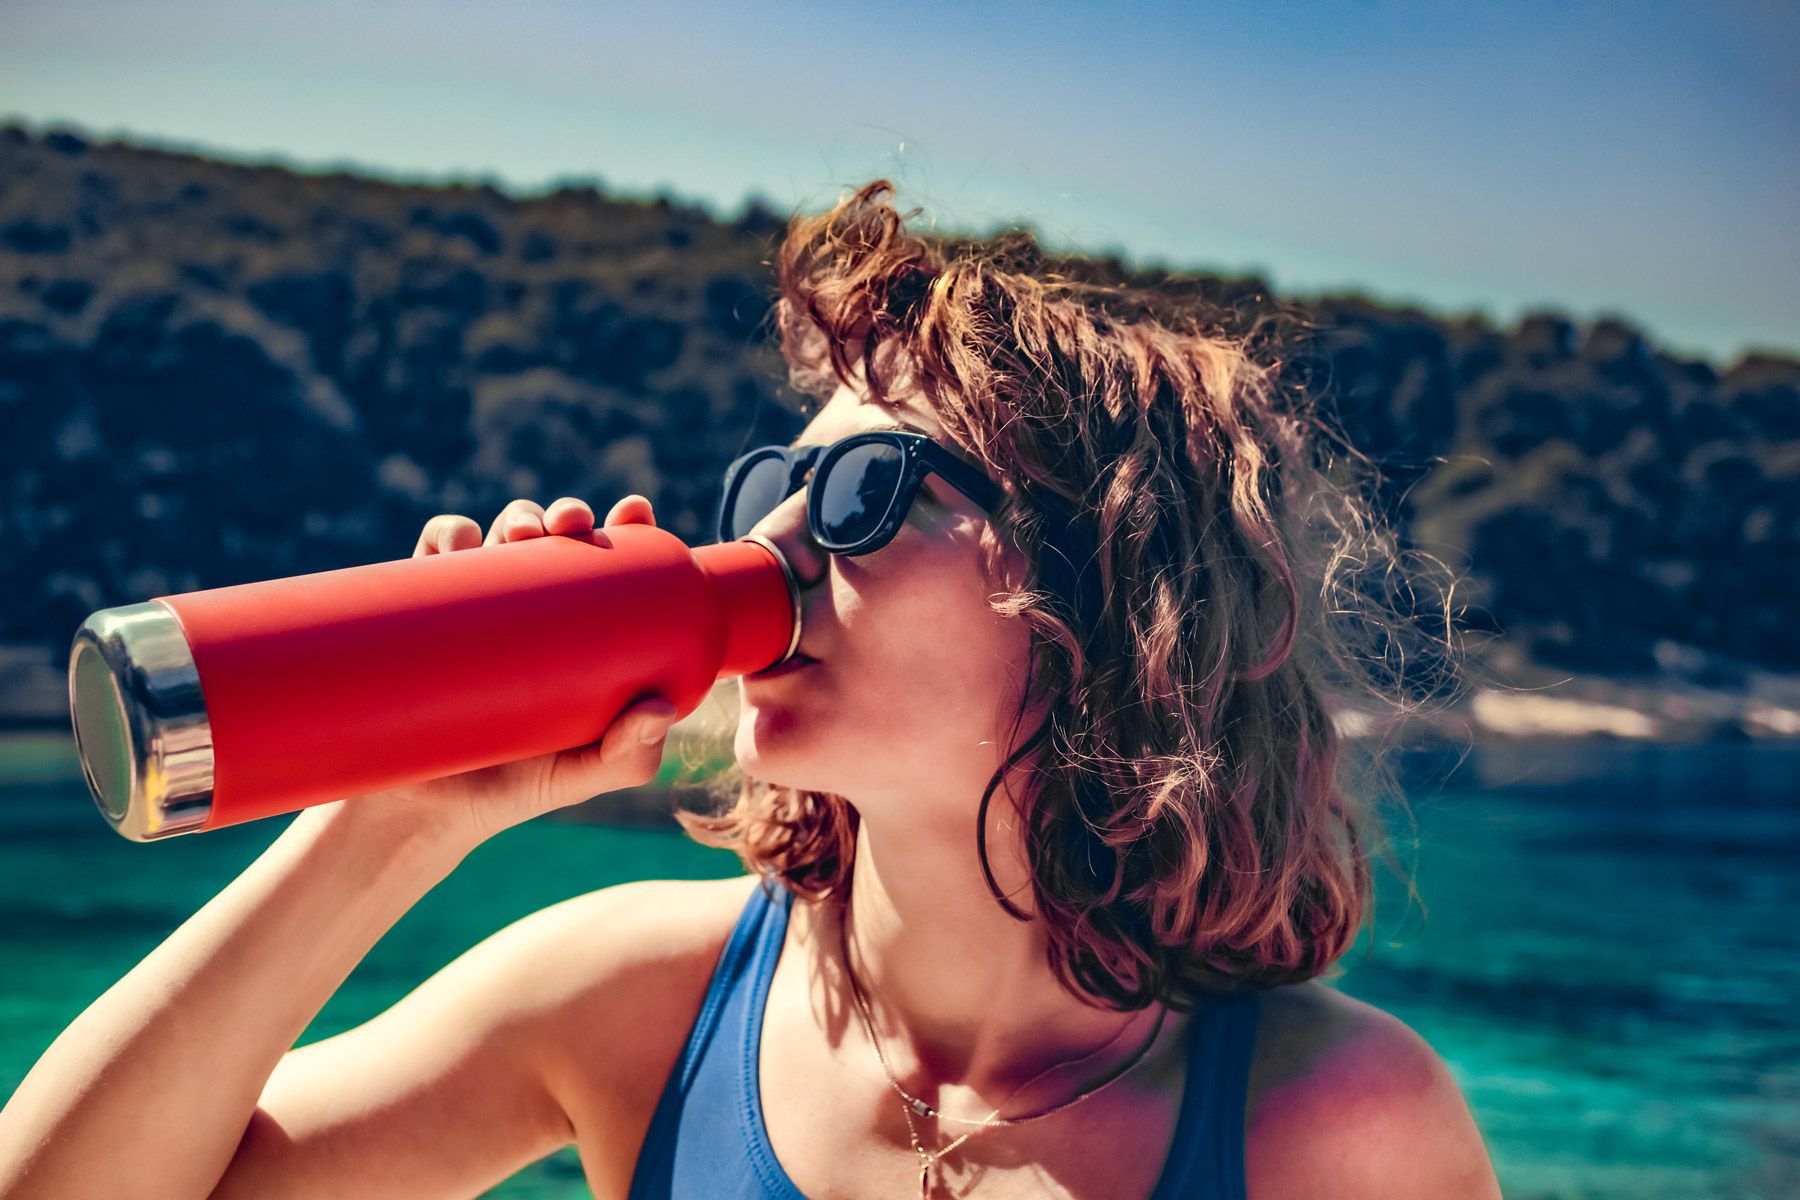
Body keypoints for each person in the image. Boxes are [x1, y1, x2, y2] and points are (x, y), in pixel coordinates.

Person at [0, 179, 1501, 1199]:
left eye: (867, 491)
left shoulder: (1329, 1123)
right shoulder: (636, 1002)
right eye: (777, 478)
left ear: (1107, 597)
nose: (769, 538)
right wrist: (389, 824)